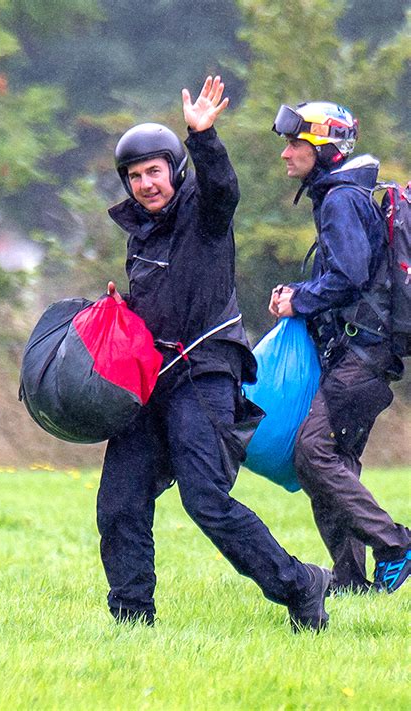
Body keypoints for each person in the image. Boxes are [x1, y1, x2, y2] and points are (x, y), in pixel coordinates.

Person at [97, 76, 332, 632]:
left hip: (204, 377)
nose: (146, 184)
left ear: (175, 170)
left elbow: (223, 186)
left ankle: (301, 584)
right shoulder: (141, 237)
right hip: (150, 383)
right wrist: (119, 311)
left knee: (205, 500)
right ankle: (132, 621)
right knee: (119, 502)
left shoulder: (204, 215)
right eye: (135, 176)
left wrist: (202, 137)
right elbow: (162, 302)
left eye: (154, 170)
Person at [269, 101, 410, 594]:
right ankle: (352, 582)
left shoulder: (340, 200)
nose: (285, 155)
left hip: (364, 357)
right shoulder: (340, 194)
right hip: (360, 355)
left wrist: (298, 300)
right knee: (333, 462)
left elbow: (348, 276)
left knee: (313, 454)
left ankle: (396, 544)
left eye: (294, 145)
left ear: (323, 150)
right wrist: (299, 295)